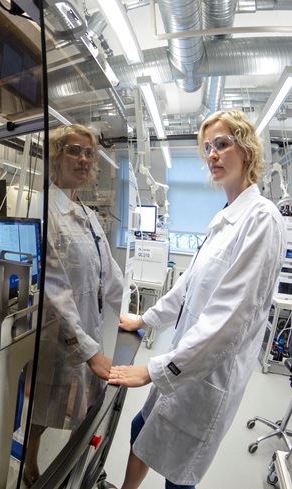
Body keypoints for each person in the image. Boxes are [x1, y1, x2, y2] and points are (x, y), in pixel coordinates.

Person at [109, 110, 286, 489]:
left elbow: (230, 320)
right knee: (142, 429)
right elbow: (188, 285)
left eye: (222, 144)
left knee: (180, 473)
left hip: (209, 375)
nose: (213, 155)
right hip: (187, 357)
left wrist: (154, 370)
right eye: (207, 148)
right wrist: (147, 320)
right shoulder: (225, 217)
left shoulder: (262, 219)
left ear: (248, 150)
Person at [24, 124, 124, 485]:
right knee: (43, 406)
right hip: (57, 334)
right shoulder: (45, 208)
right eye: (73, 151)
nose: (82, 159)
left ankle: (70, 468)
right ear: (55, 157)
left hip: (88, 326)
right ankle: (30, 463)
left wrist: (129, 313)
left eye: (88, 153)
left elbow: (108, 272)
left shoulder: (87, 213)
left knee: (81, 406)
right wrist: (90, 351)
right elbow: (53, 288)